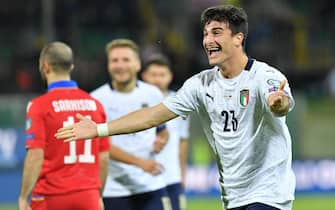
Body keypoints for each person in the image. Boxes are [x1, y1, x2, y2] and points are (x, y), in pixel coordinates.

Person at [56, 5, 296, 210]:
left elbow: (281, 102)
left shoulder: (264, 76)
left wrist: (278, 103)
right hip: (233, 196)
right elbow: (151, 116)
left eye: (216, 32)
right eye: (205, 34)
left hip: (269, 192)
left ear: (238, 38)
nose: (208, 40)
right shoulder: (200, 84)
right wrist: (99, 129)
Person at [18, 42, 110, 210]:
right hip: (88, 195)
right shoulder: (95, 104)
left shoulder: (39, 105)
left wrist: (24, 196)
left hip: (51, 195)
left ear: (45, 67)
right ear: (71, 67)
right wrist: (98, 194)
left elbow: (35, 155)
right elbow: (103, 158)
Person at [90, 39, 171, 210]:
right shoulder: (96, 99)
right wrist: (138, 162)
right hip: (114, 190)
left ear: (137, 64)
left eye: (126, 60)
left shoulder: (153, 93)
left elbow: (163, 130)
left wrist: (161, 139)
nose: (120, 65)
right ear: (108, 65)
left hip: (151, 184)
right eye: (115, 60)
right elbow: (100, 145)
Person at [141, 56, 189, 210]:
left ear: (170, 77)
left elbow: (182, 143)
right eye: (153, 75)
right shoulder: (136, 100)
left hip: (171, 177)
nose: (157, 79)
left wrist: (182, 175)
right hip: (143, 178)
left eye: (162, 75)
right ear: (144, 76)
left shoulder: (180, 103)